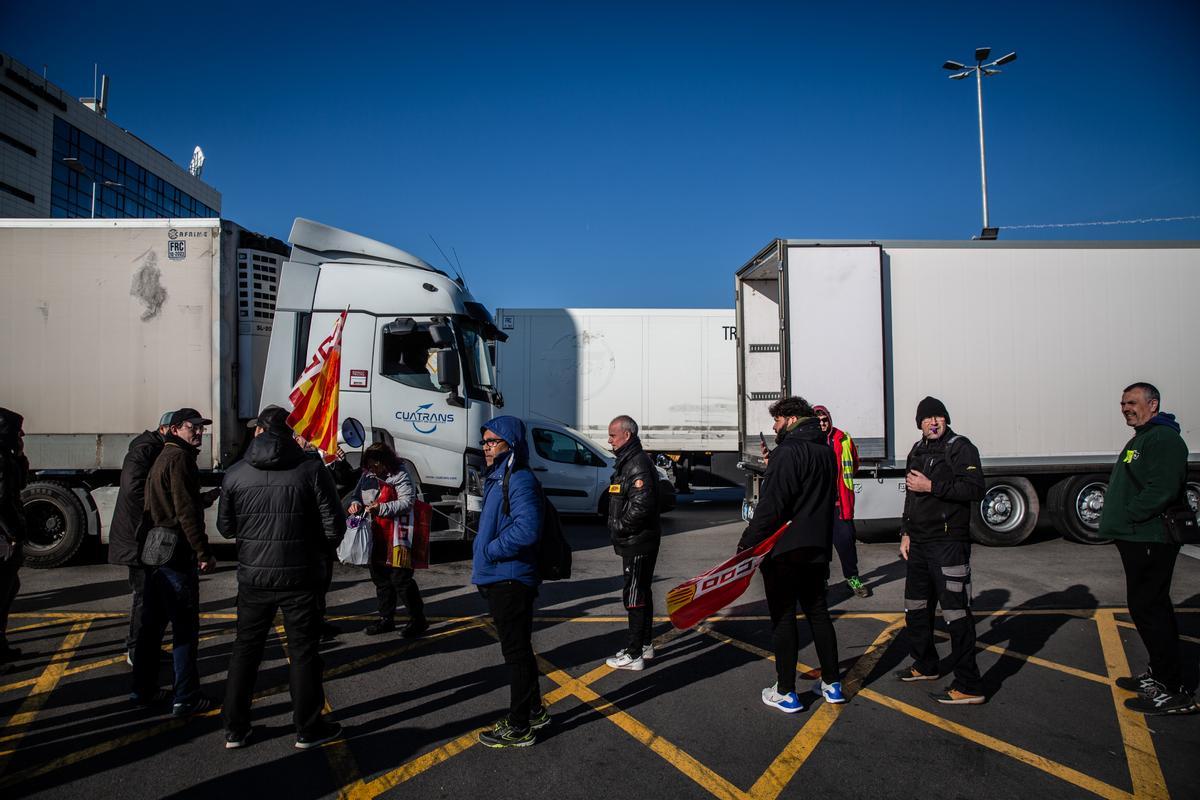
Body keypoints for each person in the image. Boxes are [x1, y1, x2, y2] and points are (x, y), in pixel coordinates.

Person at [218, 405, 347, 749]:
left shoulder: (235, 473)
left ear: (259, 431)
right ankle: (307, 728)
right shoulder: (310, 470)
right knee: (303, 652)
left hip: (253, 577)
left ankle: (235, 728)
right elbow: (335, 526)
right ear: (291, 432)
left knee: (245, 650)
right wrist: (316, 551)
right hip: (301, 577)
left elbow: (225, 527)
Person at [737, 396, 843, 713]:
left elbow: (772, 507)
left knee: (784, 619)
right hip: (817, 549)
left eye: (777, 420)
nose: (774, 426)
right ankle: (832, 684)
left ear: (792, 418)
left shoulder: (788, 452)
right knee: (818, 614)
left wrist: (746, 543)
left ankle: (785, 690)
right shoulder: (826, 452)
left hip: (784, 550)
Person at [1099, 382, 1197, 715]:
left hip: (1150, 537)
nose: (1126, 407)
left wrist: (1130, 514)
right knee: (1145, 608)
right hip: (1136, 537)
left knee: (1151, 609)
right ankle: (1158, 674)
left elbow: (1163, 488)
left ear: (1153, 404)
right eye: (1123, 403)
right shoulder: (1144, 437)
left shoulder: (1165, 439)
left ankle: (1173, 689)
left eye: (1133, 402)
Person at [895, 396, 986, 705]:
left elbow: (975, 489)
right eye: (927, 418)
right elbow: (910, 495)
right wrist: (905, 532)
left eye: (938, 417)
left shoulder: (960, 447)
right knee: (916, 608)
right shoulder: (917, 449)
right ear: (919, 423)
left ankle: (969, 684)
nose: (933, 422)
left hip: (948, 544)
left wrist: (932, 486)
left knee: (956, 614)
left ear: (946, 420)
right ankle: (925, 664)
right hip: (919, 544)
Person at [130, 407, 218, 717]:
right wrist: (203, 552)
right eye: (193, 427)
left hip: (155, 547)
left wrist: (205, 498)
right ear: (177, 428)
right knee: (184, 628)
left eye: (202, 428)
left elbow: (170, 501)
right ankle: (186, 697)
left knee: (151, 626)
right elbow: (185, 513)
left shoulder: (165, 456)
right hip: (173, 550)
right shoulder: (180, 459)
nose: (199, 432)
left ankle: (142, 689)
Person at [472, 416, 548, 748]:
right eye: (485, 441)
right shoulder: (500, 476)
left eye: (492, 441)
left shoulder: (518, 479)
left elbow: (527, 529)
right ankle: (533, 710)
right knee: (521, 651)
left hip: (510, 580)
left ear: (510, 444)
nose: (486, 447)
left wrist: (491, 550)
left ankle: (519, 726)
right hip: (503, 577)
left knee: (515, 654)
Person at [108, 412, 170, 666]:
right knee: (144, 595)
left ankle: (145, 647)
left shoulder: (151, 447)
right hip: (138, 536)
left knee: (152, 595)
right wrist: (163, 509)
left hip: (143, 534)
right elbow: (134, 488)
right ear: (167, 429)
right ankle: (136, 650)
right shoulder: (146, 449)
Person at [350, 442, 427, 638]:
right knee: (381, 579)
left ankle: (418, 619)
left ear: (385, 462)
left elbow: (407, 502)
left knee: (401, 579)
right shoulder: (367, 474)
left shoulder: (400, 474)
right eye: (369, 465)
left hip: (398, 535)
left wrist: (381, 509)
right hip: (375, 535)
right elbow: (357, 494)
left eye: (376, 465)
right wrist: (355, 503)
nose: (372, 469)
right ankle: (386, 619)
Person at [604, 415, 662, 671]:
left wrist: (619, 526)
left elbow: (641, 506)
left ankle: (634, 653)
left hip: (638, 541)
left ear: (626, 435)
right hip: (636, 540)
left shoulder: (636, 464)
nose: (609, 441)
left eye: (613, 435)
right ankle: (645, 645)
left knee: (635, 595)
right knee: (642, 592)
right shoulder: (629, 461)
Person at [813, 405, 869, 598]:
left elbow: (854, 464)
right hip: (818, 505)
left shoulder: (843, 438)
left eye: (824, 419)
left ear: (829, 419)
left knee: (846, 542)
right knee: (820, 545)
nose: (822, 423)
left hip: (839, 504)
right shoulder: (811, 441)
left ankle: (852, 578)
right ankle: (822, 580)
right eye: (818, 421)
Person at [0, 408, 28, 673]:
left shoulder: (7, 457)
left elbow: (20, 483)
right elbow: (1, 501)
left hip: (6, 535)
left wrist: (19, 455)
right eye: (16, 430)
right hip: (3, 537)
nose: (20, 434)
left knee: (10, 588)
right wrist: (13, 535)